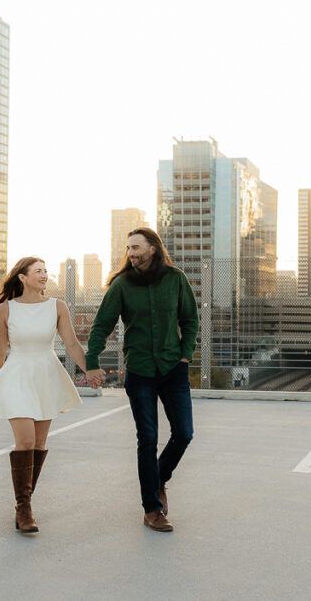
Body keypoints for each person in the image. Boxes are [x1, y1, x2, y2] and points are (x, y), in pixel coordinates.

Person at [86, 228, 198, 532]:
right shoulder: (122, 284)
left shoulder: (176, 279)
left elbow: (190, 320)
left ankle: (158, 479)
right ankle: (152, 508)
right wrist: (91, 362)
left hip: (173, 369)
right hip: (139, 371)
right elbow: (102, 325)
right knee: (147, 438)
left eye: (136, 247)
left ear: (153, 248)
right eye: (128, 248)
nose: (131, 253)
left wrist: (185, 355)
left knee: (184, 433)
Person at [0, 256, 94, 534]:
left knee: (38, 444)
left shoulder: (57, 306)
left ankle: (24, 505)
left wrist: (91, 370)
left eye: (45, 271)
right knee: (25, 441)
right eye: (38, 271)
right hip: (16, 376)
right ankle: (24, 507)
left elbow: (72, 344)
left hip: (46, 377)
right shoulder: (6, 309)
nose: (44, 275)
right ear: (22, 277)